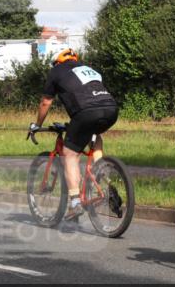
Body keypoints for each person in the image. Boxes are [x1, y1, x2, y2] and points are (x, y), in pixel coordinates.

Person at [30, 49, 119, 220]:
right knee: (95, 134)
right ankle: (101, 172)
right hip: (111, 109)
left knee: (70, 154)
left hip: (86, 113)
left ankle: (75, 203)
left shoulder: (56, 71)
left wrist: (37, 125)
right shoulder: (89, 69)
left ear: (57, 61)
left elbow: (45, 102)